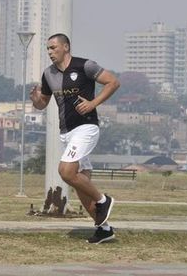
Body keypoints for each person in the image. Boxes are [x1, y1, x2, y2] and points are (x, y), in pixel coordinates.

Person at [30, 33, 120, 244]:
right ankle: (104, 230)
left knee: (65, 171)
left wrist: (93, 103)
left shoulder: (84, 66)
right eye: (48, 49)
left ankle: (103, 200)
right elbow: (43, 103)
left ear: (66, 47)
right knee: (80, 183)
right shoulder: (48, 74)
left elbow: (113, 83)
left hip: (86, 128)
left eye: (54, 48)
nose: (50, 52)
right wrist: (36, 101)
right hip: (67, 133)